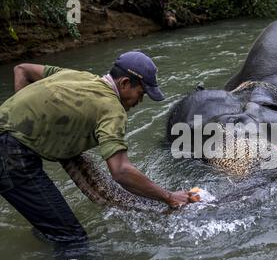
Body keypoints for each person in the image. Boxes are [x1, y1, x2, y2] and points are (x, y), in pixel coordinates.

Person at [0, 51, 197, 244]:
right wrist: (169, 197)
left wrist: (30, 119)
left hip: (9, 141)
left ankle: (44, 231)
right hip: (11, 154)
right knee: (73, 238)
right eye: (141, 93)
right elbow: (121, 172)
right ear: (125, 83)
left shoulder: (79, 76)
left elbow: (22, 70)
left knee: (54, 221)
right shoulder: (112, 109)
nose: (140, 101)